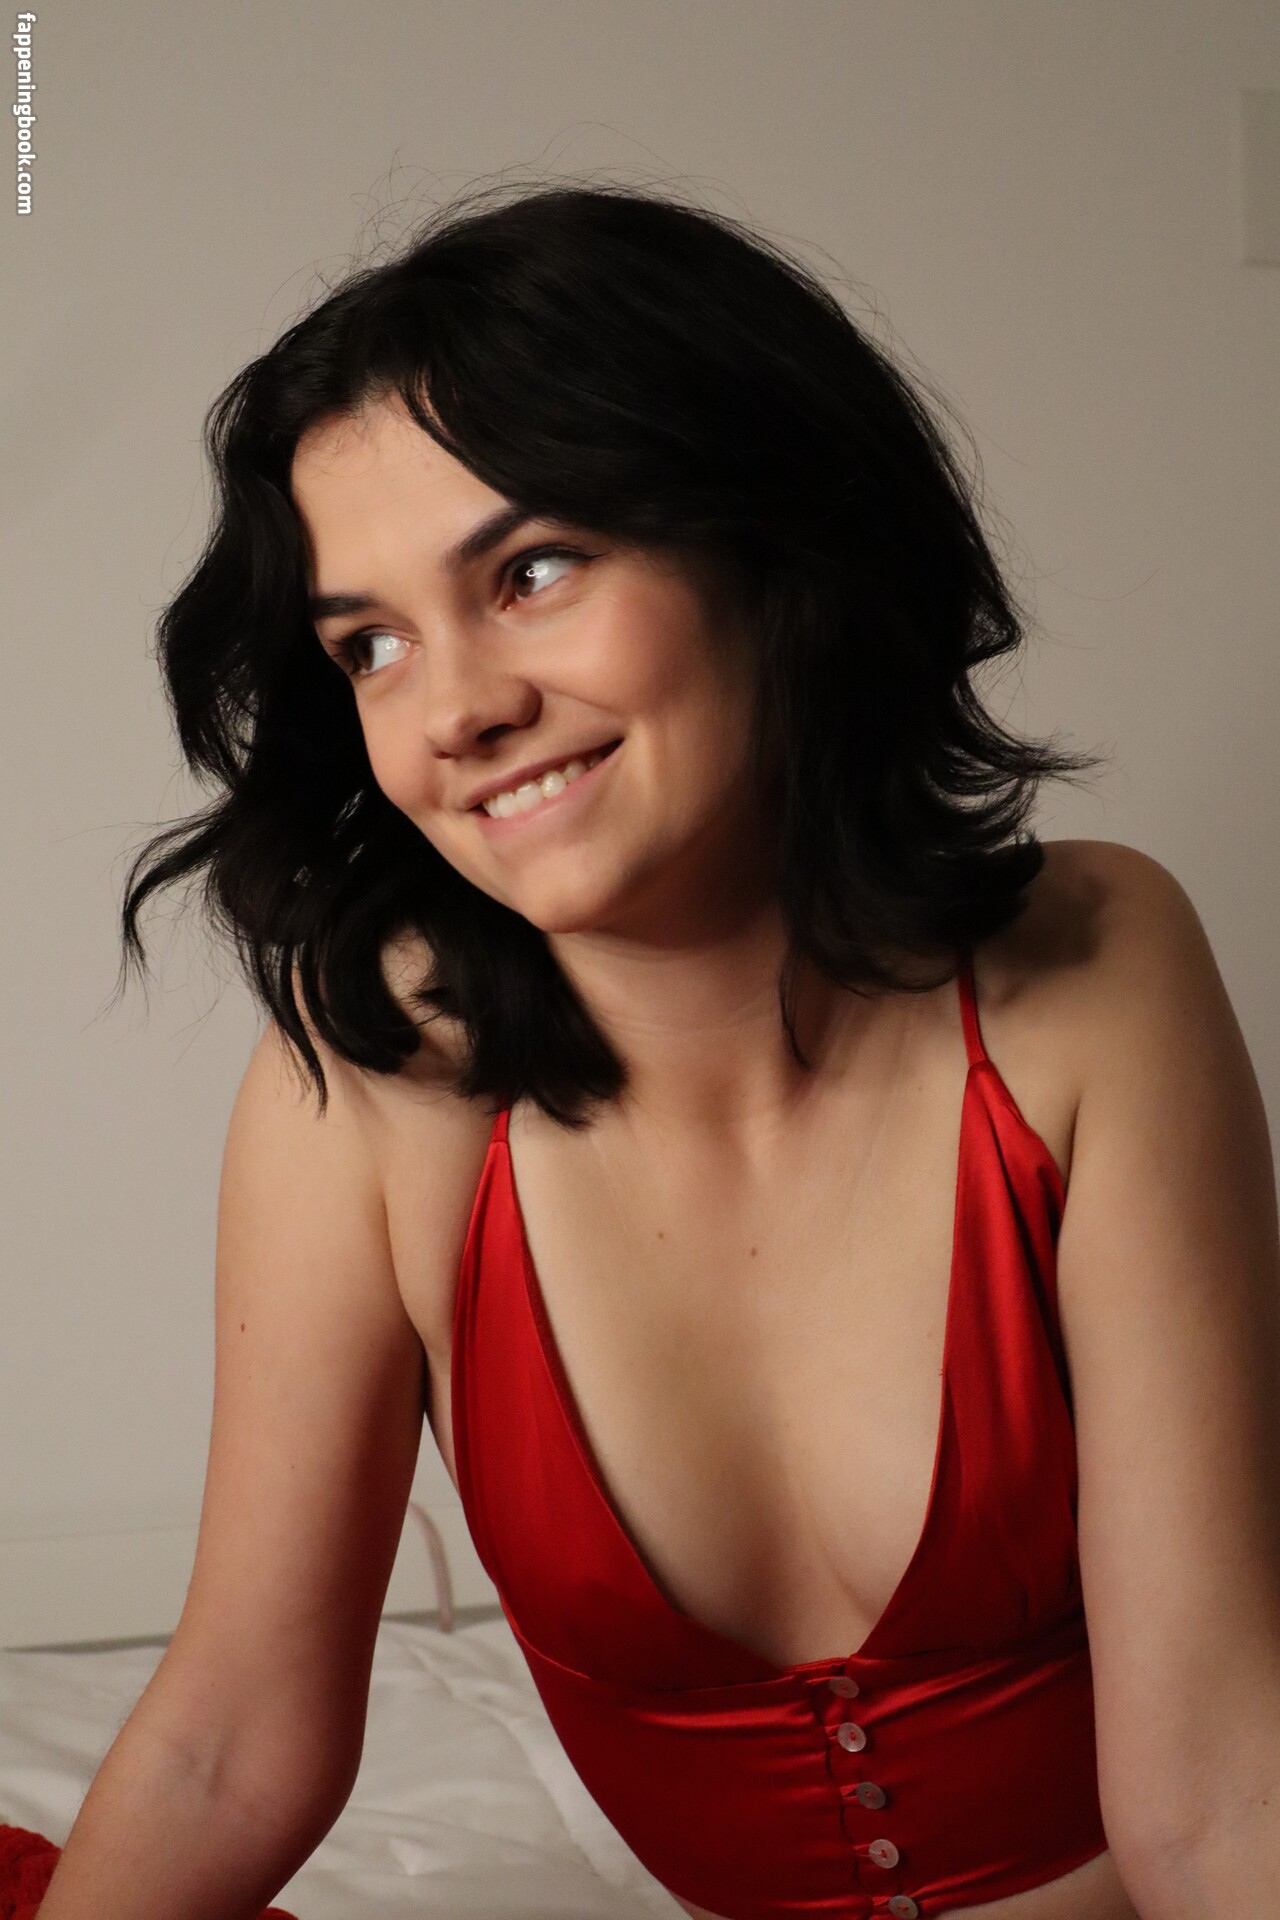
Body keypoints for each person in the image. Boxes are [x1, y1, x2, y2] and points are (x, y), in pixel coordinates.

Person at [33, 180, 1280, 1919]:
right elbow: (234, 1743)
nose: (458, 709)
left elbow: (1216, 1798)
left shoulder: (1092, 967)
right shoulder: (377, 1085)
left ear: (773, 542)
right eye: (370, 646)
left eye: (533, 571)